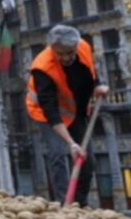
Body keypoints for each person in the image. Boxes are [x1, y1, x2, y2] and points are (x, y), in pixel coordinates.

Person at [25, 24, 109, 206]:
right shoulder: (42, 67)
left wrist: (97, 85)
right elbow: (51, 112)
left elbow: (89, 70)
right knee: (57, 154)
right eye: (60, 54)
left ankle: (79, 202)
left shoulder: (84, 47)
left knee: (87, 159)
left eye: (70, 53)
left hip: (74, 110)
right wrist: (71, 143)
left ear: (76, 46)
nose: (65, 58)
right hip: (46, 114)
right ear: (52, 48)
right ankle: (64, 202)